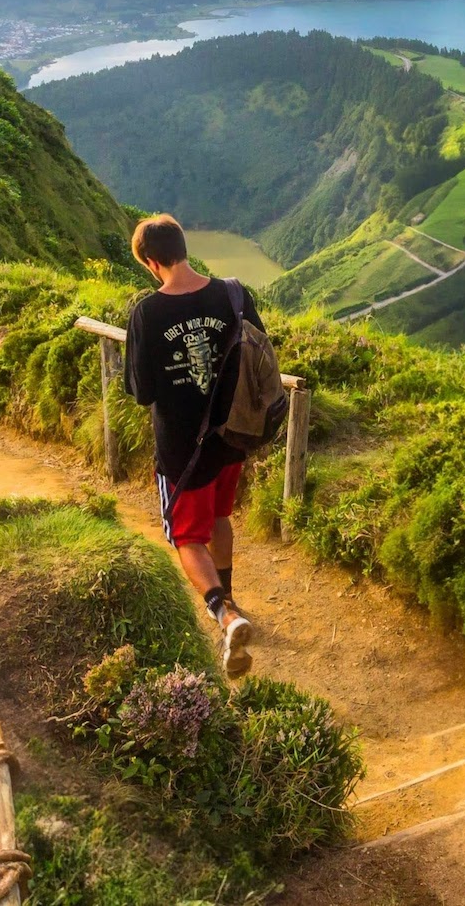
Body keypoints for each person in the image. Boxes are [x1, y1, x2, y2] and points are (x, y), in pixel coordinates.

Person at [124, 214, 262, 678]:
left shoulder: (148, 313)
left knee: (186, 536)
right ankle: (232, 598)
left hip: (184, 449)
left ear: (149, 261)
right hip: (231, 437)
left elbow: (141, 391)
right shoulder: (233, 293)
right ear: (183, 247)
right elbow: (257, 353)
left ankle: (225, 616)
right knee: (220, 516)